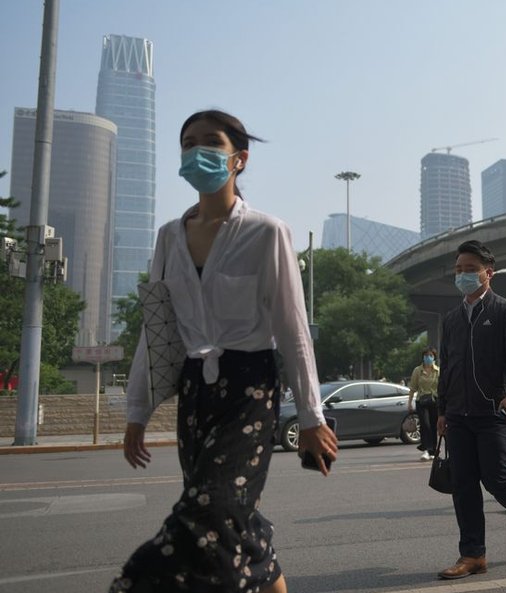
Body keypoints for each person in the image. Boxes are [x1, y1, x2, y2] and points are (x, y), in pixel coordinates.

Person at [113, 110, 338, 593]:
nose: (197, 151)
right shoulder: (168, 237)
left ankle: (134, 584)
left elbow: (293, 330)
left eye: (210, 142)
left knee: (211, 511)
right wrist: (137, 411)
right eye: (187, 142)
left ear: (239, 158)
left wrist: (311, 417)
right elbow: (158, 329)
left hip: (249, 387)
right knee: (232, 514)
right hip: (195, 391)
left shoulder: (266, 232)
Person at [435, 240, 506, 580]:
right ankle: (473, 555)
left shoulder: (504, 311)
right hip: (458, 415)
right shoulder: (451, 320)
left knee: (497, 479)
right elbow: (447, 367)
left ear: (487, 274)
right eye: (458, 269)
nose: (463, 274)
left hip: (495, 412)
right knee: (463, 485)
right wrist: (441, 410)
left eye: (470, 269)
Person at [408, 348, 440, 460]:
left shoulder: (438, 371)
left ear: (434, 357)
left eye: (430, 355)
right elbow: (412, 388)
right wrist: (409, 403)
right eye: (426, 355)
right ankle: (426, 450)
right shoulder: (417, 370)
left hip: (435, 402)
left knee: (433, 426)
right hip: (421, 401)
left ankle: (433, 451)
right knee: (425, 425)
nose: (428, 358)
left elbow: (442, 388)